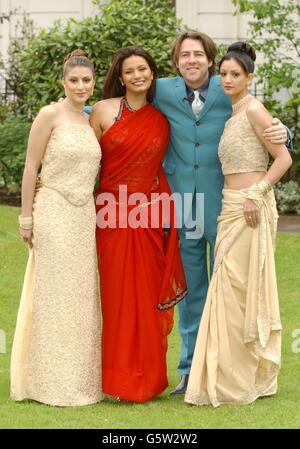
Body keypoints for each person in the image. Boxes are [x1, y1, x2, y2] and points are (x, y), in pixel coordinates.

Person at [153, 31, 292, 394]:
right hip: (186, 207)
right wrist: (74, 110)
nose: (192, 60)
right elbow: (124, 101)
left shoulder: (228, 83)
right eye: (185, 55)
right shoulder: (163, 90)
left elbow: (262, 123)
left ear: (211, 60)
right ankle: (190, 368)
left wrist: (285, 132)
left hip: (229, 205)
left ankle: (234, 366)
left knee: (233, 289)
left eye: (198, 54)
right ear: (176, 61)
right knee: (193, 290)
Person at [90, 46, 187, 403]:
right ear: (120, 75)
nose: (137, 76)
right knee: (117, 298)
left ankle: (147, 380)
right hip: (111, 216)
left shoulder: (161, 119)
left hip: (147, 217)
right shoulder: (101, 111)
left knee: (146, 299)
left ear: (152, 72)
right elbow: (86, 161)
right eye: (129, 71)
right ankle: (119, 380)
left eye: (143, 69)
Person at [10, 50, 103, 407]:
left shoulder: (91, 119)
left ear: (93, 82)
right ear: (63, 82)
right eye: (74, 80)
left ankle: (81, 381)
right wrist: (26, 217)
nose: (81, 86)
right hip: (51, 210)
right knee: (52, 295)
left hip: (83, 216)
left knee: (80, 298)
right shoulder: (50, 114)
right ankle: (47, 382)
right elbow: (31, 167)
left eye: (86, 80)